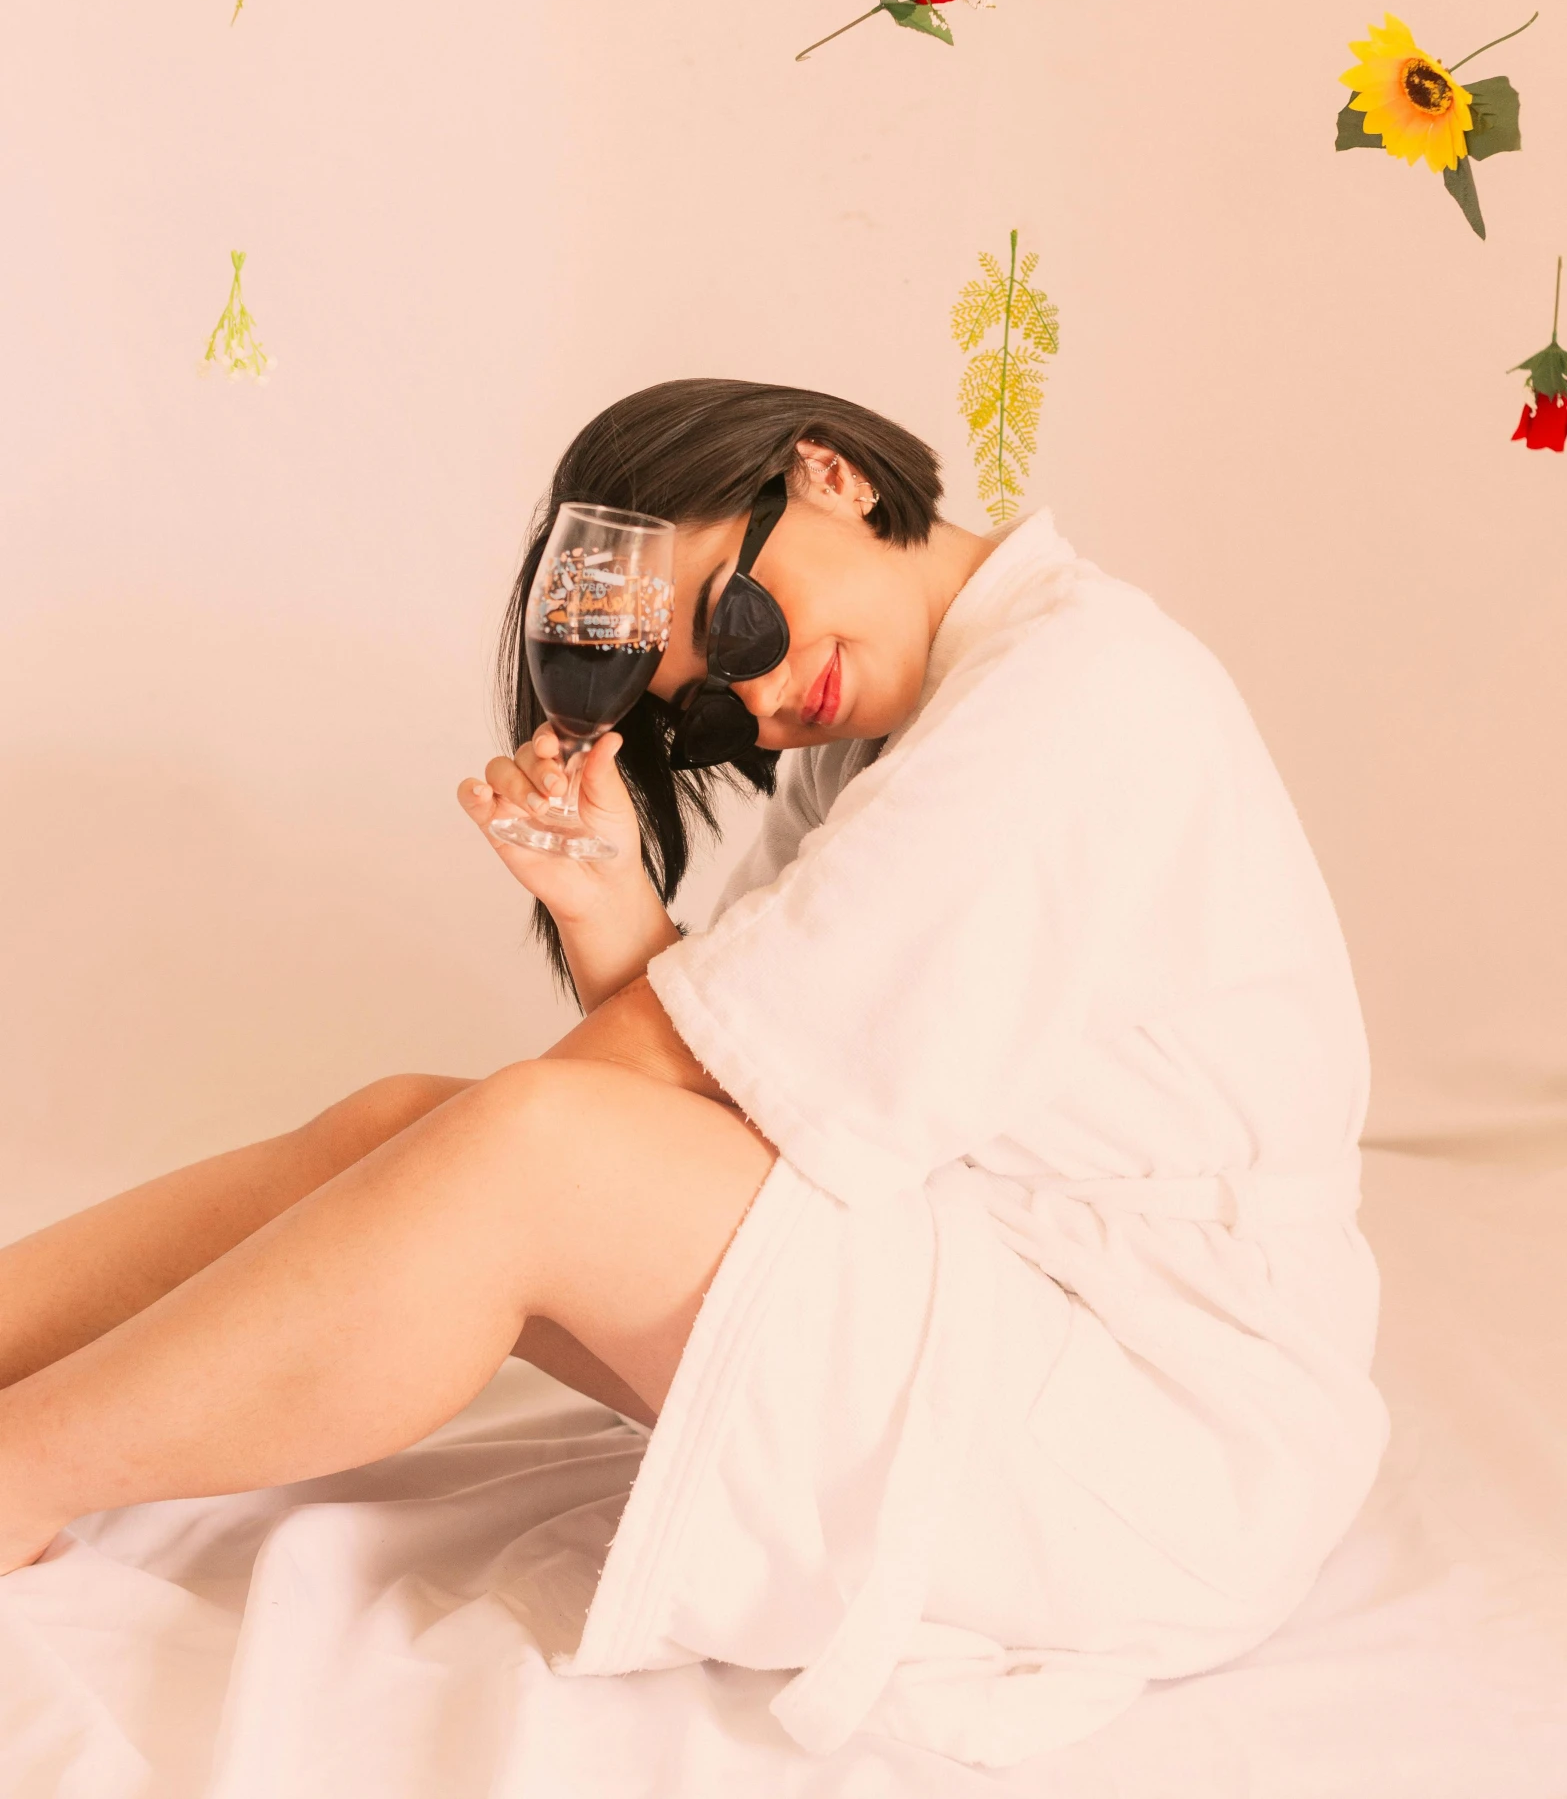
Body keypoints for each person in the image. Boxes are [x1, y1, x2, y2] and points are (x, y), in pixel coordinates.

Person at [0, 377, 1388, 1767]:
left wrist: (477, 1179)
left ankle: (19, 1471)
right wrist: (613, 917)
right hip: (1004, 1298)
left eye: (735, 619)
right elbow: (746, 1086)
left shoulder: (1072, 689)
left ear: (828, 472)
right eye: (710, 707)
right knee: (420, 1124)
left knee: (508, 1149)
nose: (759, 694)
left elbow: (673, 1090)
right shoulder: (910, 716)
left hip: (1160, 1433)